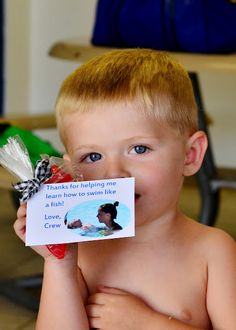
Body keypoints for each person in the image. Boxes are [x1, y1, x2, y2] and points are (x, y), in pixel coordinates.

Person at [14, 49, 236, 329]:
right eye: (92, 156)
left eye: (139, 148)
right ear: (73, 173)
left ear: (190, 155)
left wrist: (148, 324)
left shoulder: (212, 251)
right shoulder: (81, 252)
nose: (115, 173)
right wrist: (60, 262)